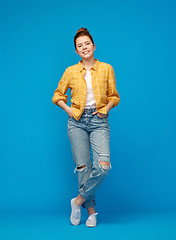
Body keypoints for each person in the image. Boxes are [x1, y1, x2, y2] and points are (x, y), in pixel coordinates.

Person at [52, 27, 120, 227]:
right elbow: (57, 95)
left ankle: (78, 201)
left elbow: (114, 96)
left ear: (94, 46)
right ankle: (91, 213)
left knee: (103, 166)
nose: (84, 47)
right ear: (76, 51)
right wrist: (69, 110)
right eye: (79, 46)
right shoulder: (71, 71)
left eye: (87, 44)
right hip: (77, 122)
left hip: (99, 120)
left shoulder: (107, 68)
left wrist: (106, 109)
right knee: (83, 169)